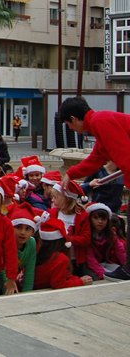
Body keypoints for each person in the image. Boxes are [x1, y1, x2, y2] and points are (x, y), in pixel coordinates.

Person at [59, 96, 130, 280]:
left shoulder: (101, 122)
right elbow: (97, 158)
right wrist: (71, 173)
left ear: (73, 119)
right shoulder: (100, 121)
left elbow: (125, 159)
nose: (71, 129)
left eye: (69, 124)